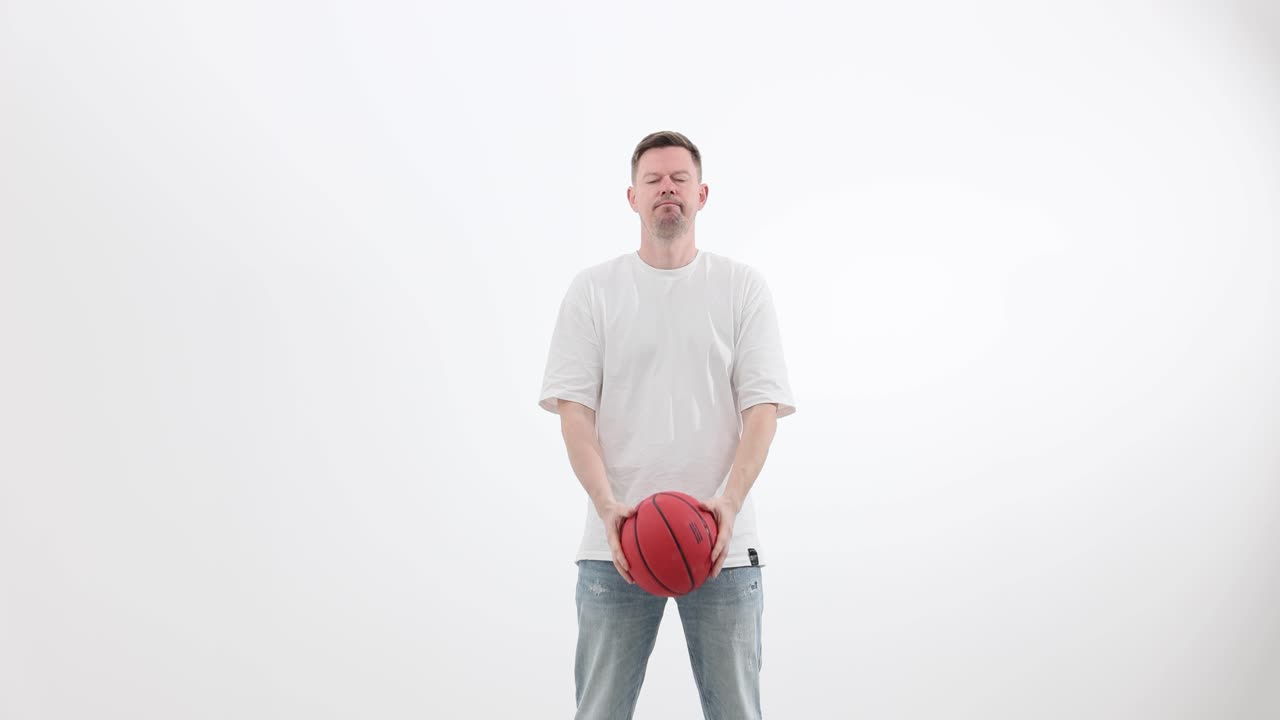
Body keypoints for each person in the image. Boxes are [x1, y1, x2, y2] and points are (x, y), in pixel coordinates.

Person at [538, 130, 797, 720]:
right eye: (653, 180)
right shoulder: (593, 291)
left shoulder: (741, 287)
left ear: (702, 195)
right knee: (599, 712)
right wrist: (609, 510)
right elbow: (574, 414)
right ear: (631, 197)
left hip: (722, 544)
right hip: (615, 545)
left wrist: (727, 506)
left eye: (679, 179)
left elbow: (762, 410)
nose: (667, 190)